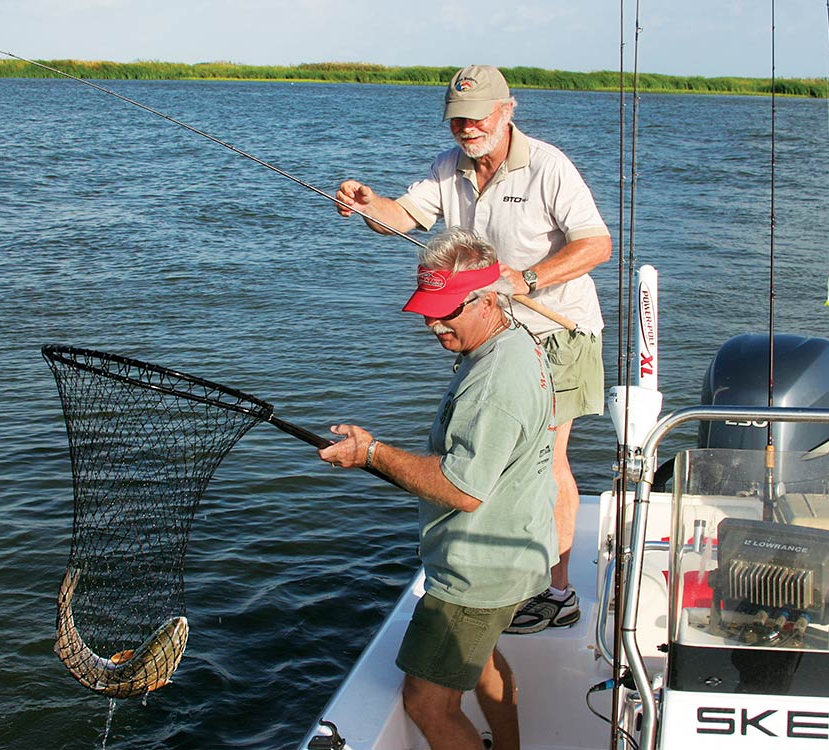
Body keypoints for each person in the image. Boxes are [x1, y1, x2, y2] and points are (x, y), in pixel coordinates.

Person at [334, 64, 611, 633]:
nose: (466, 128)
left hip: (558, 332)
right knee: (495, 461)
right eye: (457, 118)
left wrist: (526, 280)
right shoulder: (448, 167)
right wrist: (368, 204)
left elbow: (596, 244)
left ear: (508, 111)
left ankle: (556, 592)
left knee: (545, 460)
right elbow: (402, 217)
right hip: (493, 334)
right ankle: (505, 575)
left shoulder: (548, 166)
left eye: (477, 116)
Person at [319, 226, 557, 750]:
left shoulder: (494, 383)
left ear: (489, 297)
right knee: (486, 659)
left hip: (477, 572)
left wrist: (372, 454)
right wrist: (373, 457)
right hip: (513, 552)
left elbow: (462, 489)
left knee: (426, 703)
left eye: (448, 309)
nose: (432, 322)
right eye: (428, 307)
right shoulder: (514, 343)